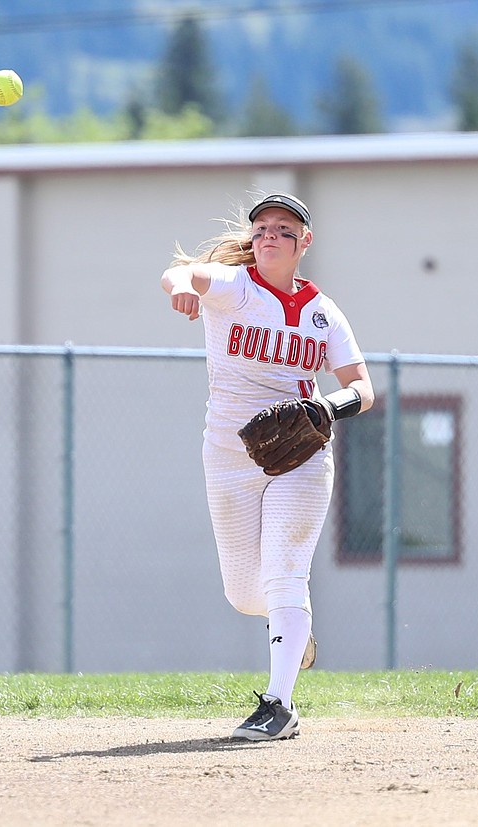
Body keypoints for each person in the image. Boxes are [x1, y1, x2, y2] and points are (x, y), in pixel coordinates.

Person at [160, 192, 374, 740]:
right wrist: (185, 287)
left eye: (284, 228)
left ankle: (279, 703)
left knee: (285, 573)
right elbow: (180, 274)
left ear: (305, 241)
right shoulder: (237, 288)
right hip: (229, 454)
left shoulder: (324, 313)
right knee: (245, 594)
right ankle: (294, 632)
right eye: (261, 228)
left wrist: (326, 406)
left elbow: (362, 389)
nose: (269, 236)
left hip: (299, 455)